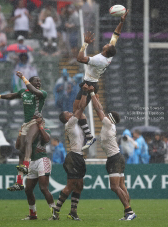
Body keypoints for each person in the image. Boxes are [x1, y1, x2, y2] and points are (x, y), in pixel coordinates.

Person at [75, 11, 129, 150]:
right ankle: (90, 135)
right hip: (92, 82)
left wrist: (85, 44)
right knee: (78, 111)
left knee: (78, 111)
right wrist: (121, 22)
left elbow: (80, 59)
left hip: (89, 84)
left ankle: (89, 136)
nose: (107, 43)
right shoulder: (109, 55)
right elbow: (116, 35)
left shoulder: (99, 60)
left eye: (107, 45)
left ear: (106, 51)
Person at [88, 85, 136, 221]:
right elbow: (100, 109)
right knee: (121, 186)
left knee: (115, 187)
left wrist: (92, 93)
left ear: (110, 118)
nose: (105, 115)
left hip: (114, 158)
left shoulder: (108, 124)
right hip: (117, 157)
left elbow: (99, 110)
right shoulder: (111, 125)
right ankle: (129, 212)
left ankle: (129, 211)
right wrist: (96, 98)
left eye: (107, 116)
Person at [0, 71, 47, 175]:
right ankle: (19, 181)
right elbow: (12, 96)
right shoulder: (23, 92)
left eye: (40, 81)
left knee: (28, 141)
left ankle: (26, 165)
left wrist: (23, 78)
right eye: (37, 81)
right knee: (21, 151)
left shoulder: (42, 93)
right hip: (26, 123)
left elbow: (32, 89)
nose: (39, 82)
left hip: (36, 121)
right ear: (31, 82)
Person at [50, 83, 89, 221]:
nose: (70, 112)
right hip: (73, 157)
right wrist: (84, 92)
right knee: (70, 185)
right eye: (68, 113)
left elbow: (79, 109)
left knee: (79, 185)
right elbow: (81, 108)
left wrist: (85, 93)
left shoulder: (75, 123)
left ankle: (73, 212)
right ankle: (56, 212)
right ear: (66, 118)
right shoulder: (70, 124)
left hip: (78, 156)